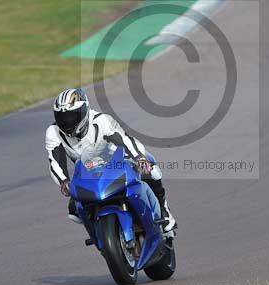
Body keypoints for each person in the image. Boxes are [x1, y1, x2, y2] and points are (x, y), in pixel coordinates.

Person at [45, 88, 177, 233]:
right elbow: (55, 159)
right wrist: (64, 181)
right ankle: (98, 232)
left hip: (118, 161)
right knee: (74, 210)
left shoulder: (101, 121)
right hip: (88, 172)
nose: (67, 122)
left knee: (151, 169)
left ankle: (163, 209)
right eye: (62, 117)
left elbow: (125, 140)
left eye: (72, 116)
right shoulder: (54, 132)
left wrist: (139, 158)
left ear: (85, 111)